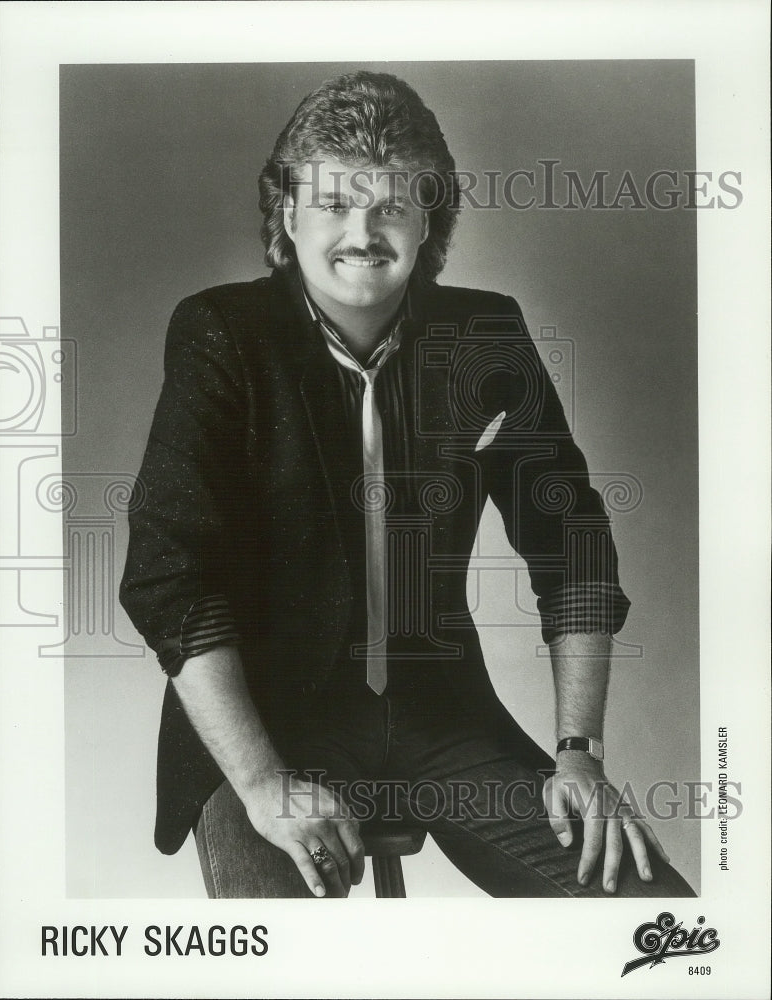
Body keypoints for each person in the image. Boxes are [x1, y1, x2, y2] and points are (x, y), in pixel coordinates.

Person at [120, 70, 695, 899]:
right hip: (267, 728)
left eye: (390, 205)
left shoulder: (483, 331)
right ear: (287, 214)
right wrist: (260, 783)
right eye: (332, 205)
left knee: (660, 929)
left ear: (431, 217)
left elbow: (571, 546)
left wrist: (579, 752)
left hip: (444, 719)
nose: (362, 232)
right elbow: (170, 578)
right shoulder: (221, 331)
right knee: (280, 967)